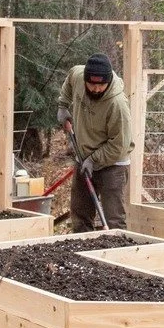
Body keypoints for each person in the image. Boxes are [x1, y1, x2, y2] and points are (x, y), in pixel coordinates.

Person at [57, 53, 133, 232]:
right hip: (83, 157)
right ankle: (82, 248)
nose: (97, 89)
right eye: (92, 84)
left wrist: (93, 160)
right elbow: (70, 78)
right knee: (80, 216)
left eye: (101, 85)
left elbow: (119, 145)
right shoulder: (78, 76)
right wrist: (63, 106)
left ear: (109, 81)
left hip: (113, 164)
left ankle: (117, 248)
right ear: (85, 79)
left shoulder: (117, 104)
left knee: (114, 220)